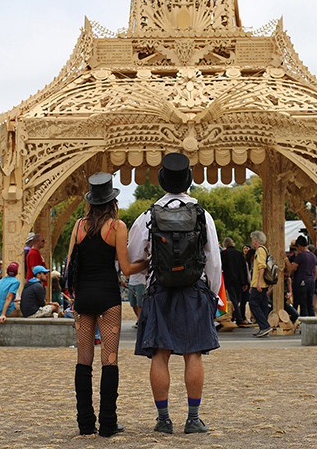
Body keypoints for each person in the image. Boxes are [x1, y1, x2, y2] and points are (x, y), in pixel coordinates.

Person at [128, 153, 221, 435]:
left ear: (162, 183)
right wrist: (212, 295)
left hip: (160, 290)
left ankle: (163, 419)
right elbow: (213, 261)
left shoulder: (147, 216)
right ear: (188, 181)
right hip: (194, 290)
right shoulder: (203, 215)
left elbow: (135, 259)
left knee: (160, 354)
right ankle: (193, 418)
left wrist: (143, 292)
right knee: (194, 355)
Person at [67, 172, 149, 438]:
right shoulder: (117, 227)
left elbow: (70, 265)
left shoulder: (78, 226)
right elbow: (126, 269)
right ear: (112, 200)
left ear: (91, 201)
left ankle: (85, 423)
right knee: (109, 360)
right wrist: (147, 263)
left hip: (84, 298)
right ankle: (108, 423)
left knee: (83, 360)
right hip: (108, 299)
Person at [281, 235, 317, 316]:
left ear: (299, 246)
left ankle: (303, 325)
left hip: (302, 282)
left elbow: (291, 268)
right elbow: (316, 272)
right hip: (311, 282)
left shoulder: (301, 256)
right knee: (310, 305)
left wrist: (285, 258)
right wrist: (312, 280)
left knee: (303, 304)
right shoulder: (313, 256)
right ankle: (312, 323)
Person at [249, 231, 272, 337]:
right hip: (262, 284)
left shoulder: (260, 251)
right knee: (263, 306)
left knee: (253, 304)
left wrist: (258, 283)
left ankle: (264, 326)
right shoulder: (265, 250)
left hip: (259, 284)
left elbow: (261, 267)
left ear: (255, 240)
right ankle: (264, 328)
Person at [220, 237, 248, 326]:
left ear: (225, 245)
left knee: (233, 299)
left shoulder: (223, 254)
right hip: (239, 280)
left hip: (229, 279)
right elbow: (244, 269)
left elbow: (221, 267)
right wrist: (245, 282)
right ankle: (238, 316)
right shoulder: (239, 254)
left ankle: (238, 318)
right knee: (237, 299)